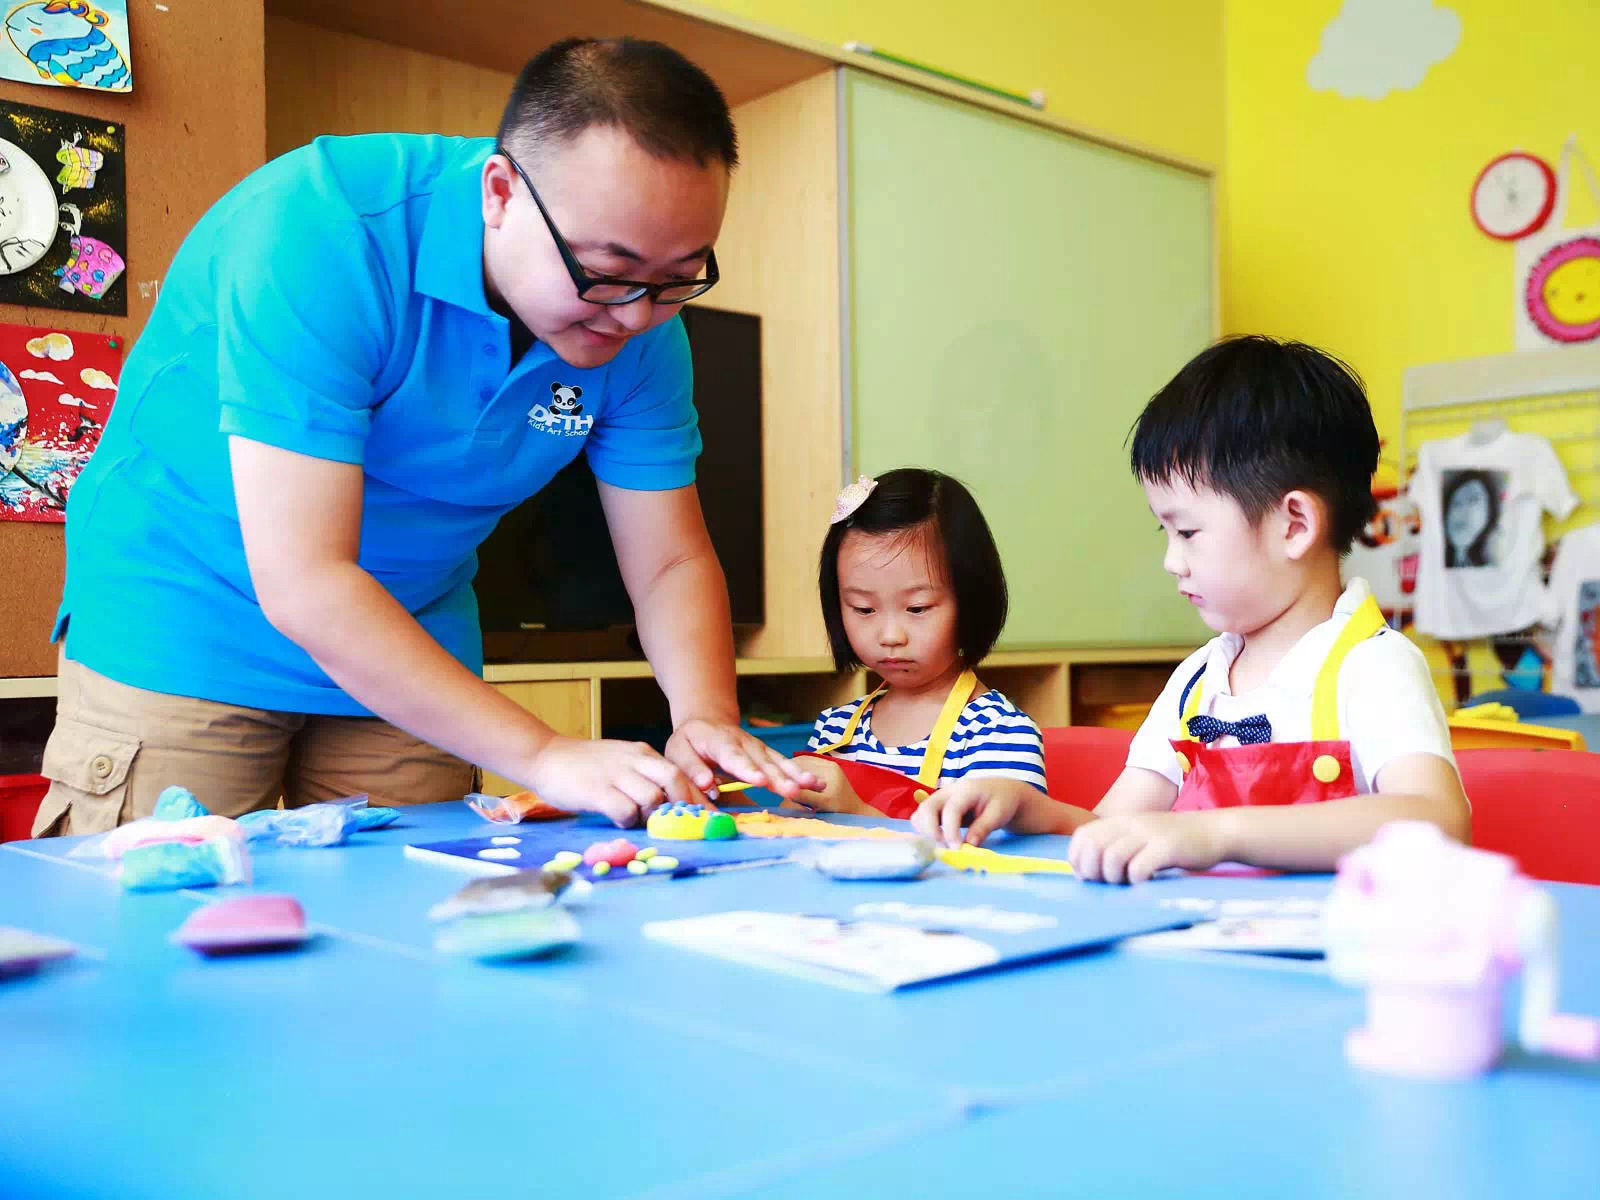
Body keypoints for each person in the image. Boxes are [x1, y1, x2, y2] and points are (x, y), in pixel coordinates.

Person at [35, 37, 817, 837]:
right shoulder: (320, 231)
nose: (637, 314)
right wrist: (543, 752)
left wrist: (705, 714)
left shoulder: (645, 325)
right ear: (500, 193)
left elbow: (670, 560)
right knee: (176, 894)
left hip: (412, 632)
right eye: (607, 272)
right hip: (188, 614)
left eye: (678, 277)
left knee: (419, 892)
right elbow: (305, 578)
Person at [914, 337, 1470, 881]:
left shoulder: (1372, 666)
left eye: (1187, 532)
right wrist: (1025, 806)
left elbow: (1438, 822)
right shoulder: (1198, 681)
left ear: (1294, 525)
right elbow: (1112, 827)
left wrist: (1217, 833)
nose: (1171, 561)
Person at [796, 468, 1046, 819]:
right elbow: (789, 830)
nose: (890, 636)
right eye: (864, 609)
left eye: (917, 608)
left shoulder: (997, 735)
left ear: (971, 599)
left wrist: (857, 811)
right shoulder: (836, 729)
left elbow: (991, 851)